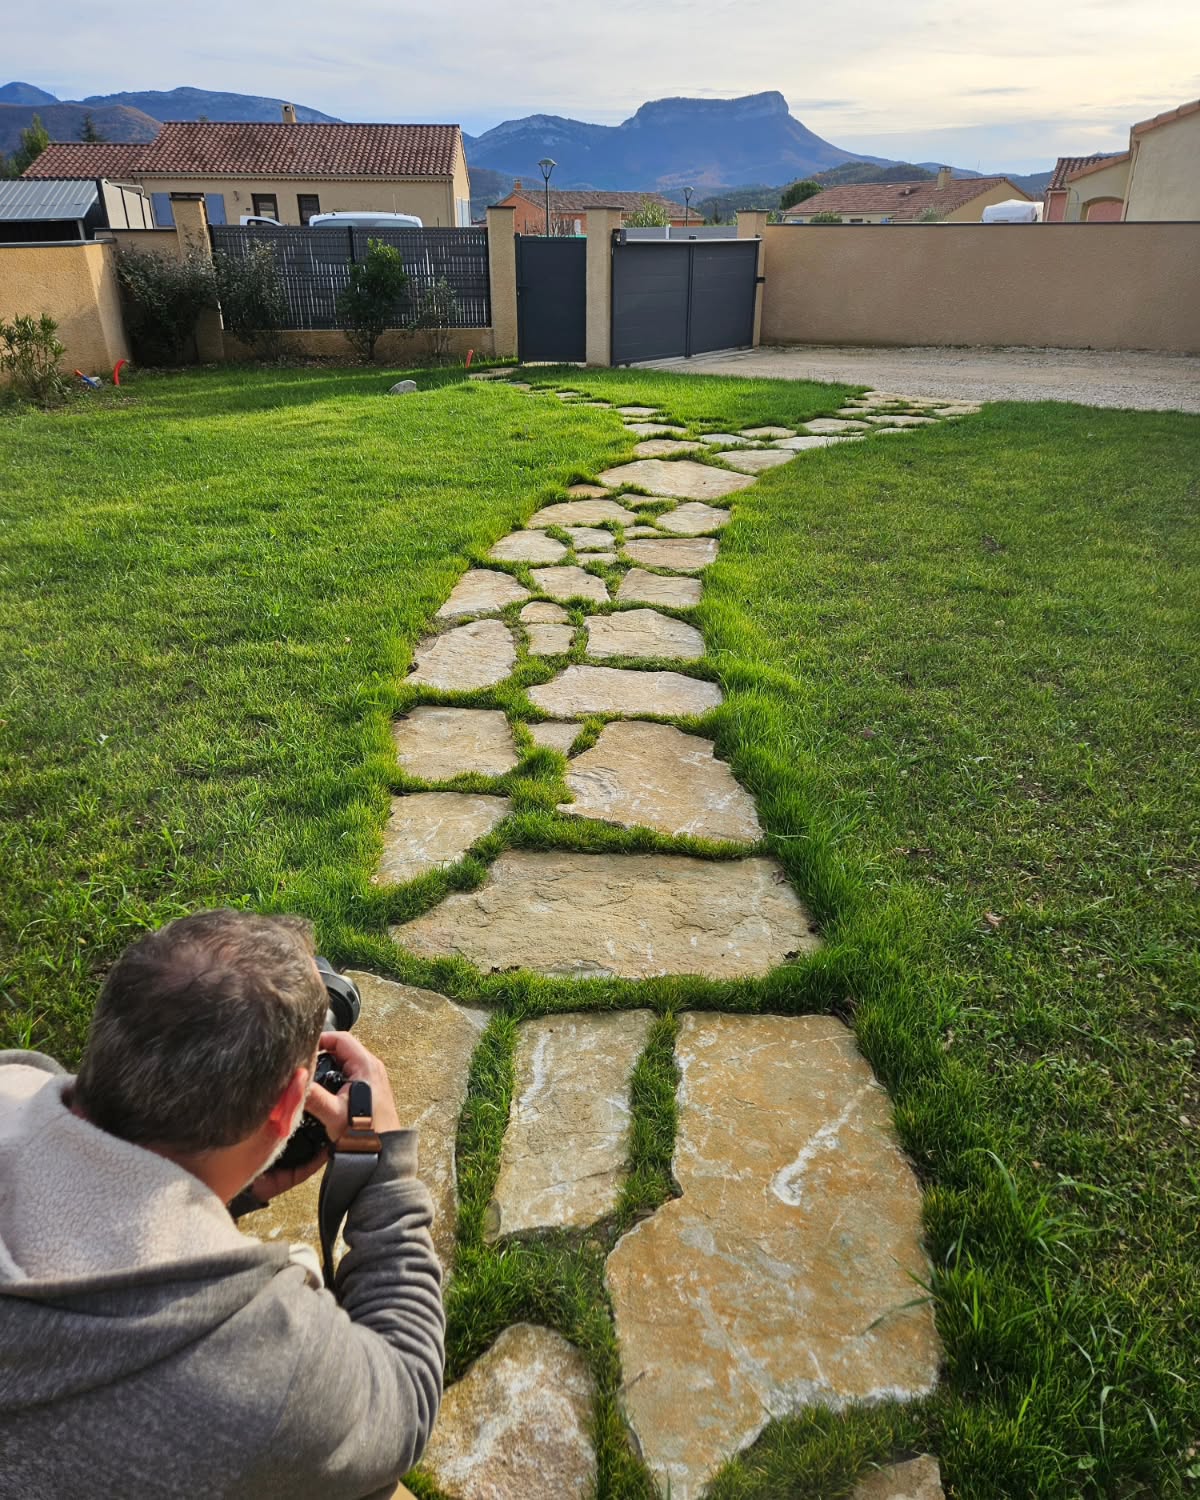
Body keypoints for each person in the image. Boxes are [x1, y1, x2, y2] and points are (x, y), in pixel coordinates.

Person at [0, 909, 444, 1500]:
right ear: (290, 1105)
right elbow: (404, 1401)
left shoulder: (14, 1079)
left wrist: (227, 1195)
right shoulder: (259, 1355)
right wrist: (383, 1166)